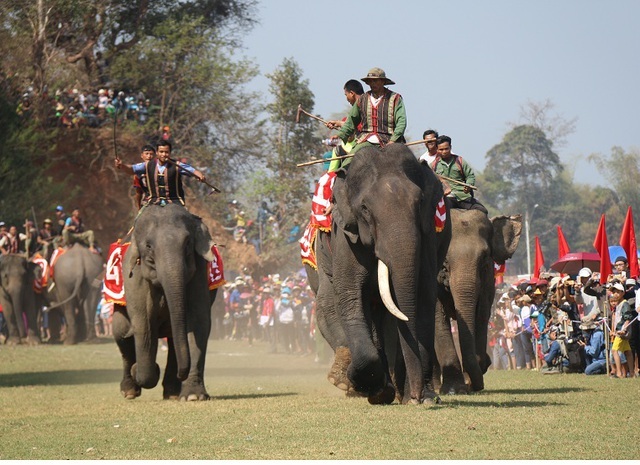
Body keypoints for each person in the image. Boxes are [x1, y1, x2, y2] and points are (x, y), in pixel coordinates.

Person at [332, 67, 406, 162]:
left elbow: (401, 122)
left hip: (390, 140)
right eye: (370, 81)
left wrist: (393, 140)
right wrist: (340, 135)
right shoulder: (362, 99)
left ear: (383, 81)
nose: (373, 84)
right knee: (347, 164)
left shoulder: (395, 98)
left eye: (375, 81)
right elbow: (351, 121)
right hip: (366, 141)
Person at [115, 141, 205, 207]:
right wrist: (122, 166)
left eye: (166, 152)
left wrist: (200, 175)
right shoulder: (147, 165)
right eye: (161, 152)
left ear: (170, 153)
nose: (164, 154)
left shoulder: (177, 165)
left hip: (174, 202)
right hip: (153, 203)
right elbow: (132, 169)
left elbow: (192, 171)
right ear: (157, 153)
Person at [431, 135, 487, 214]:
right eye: (441, 149)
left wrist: (469, 185)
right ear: (437, 149)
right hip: (446, 198)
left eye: (446, 149)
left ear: (450, 147)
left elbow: (470, 176)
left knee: (482, 211)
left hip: (462, 196)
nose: (444, 152)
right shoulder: (433, 165)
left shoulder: (460, 161)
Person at [609, 281, 636, 378]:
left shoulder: (625, 304)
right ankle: (632, 373)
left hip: (622, 331)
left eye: (618, 292)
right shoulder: (618, 305)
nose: (615, 294)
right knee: (628, 352)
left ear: (623, 293)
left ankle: (619, 373)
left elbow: (627, 318)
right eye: (614, 292)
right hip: (619, 330)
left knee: (614, 350)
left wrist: (623, 330)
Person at [132, 145, 156, 209]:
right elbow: (138, 192)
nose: (149, 156)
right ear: (142, 156)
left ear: (154, 156)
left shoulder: (159, 169)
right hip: (147, 200)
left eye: (151, 154)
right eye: (147, 154)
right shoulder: (138, 173)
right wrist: (138, 207)